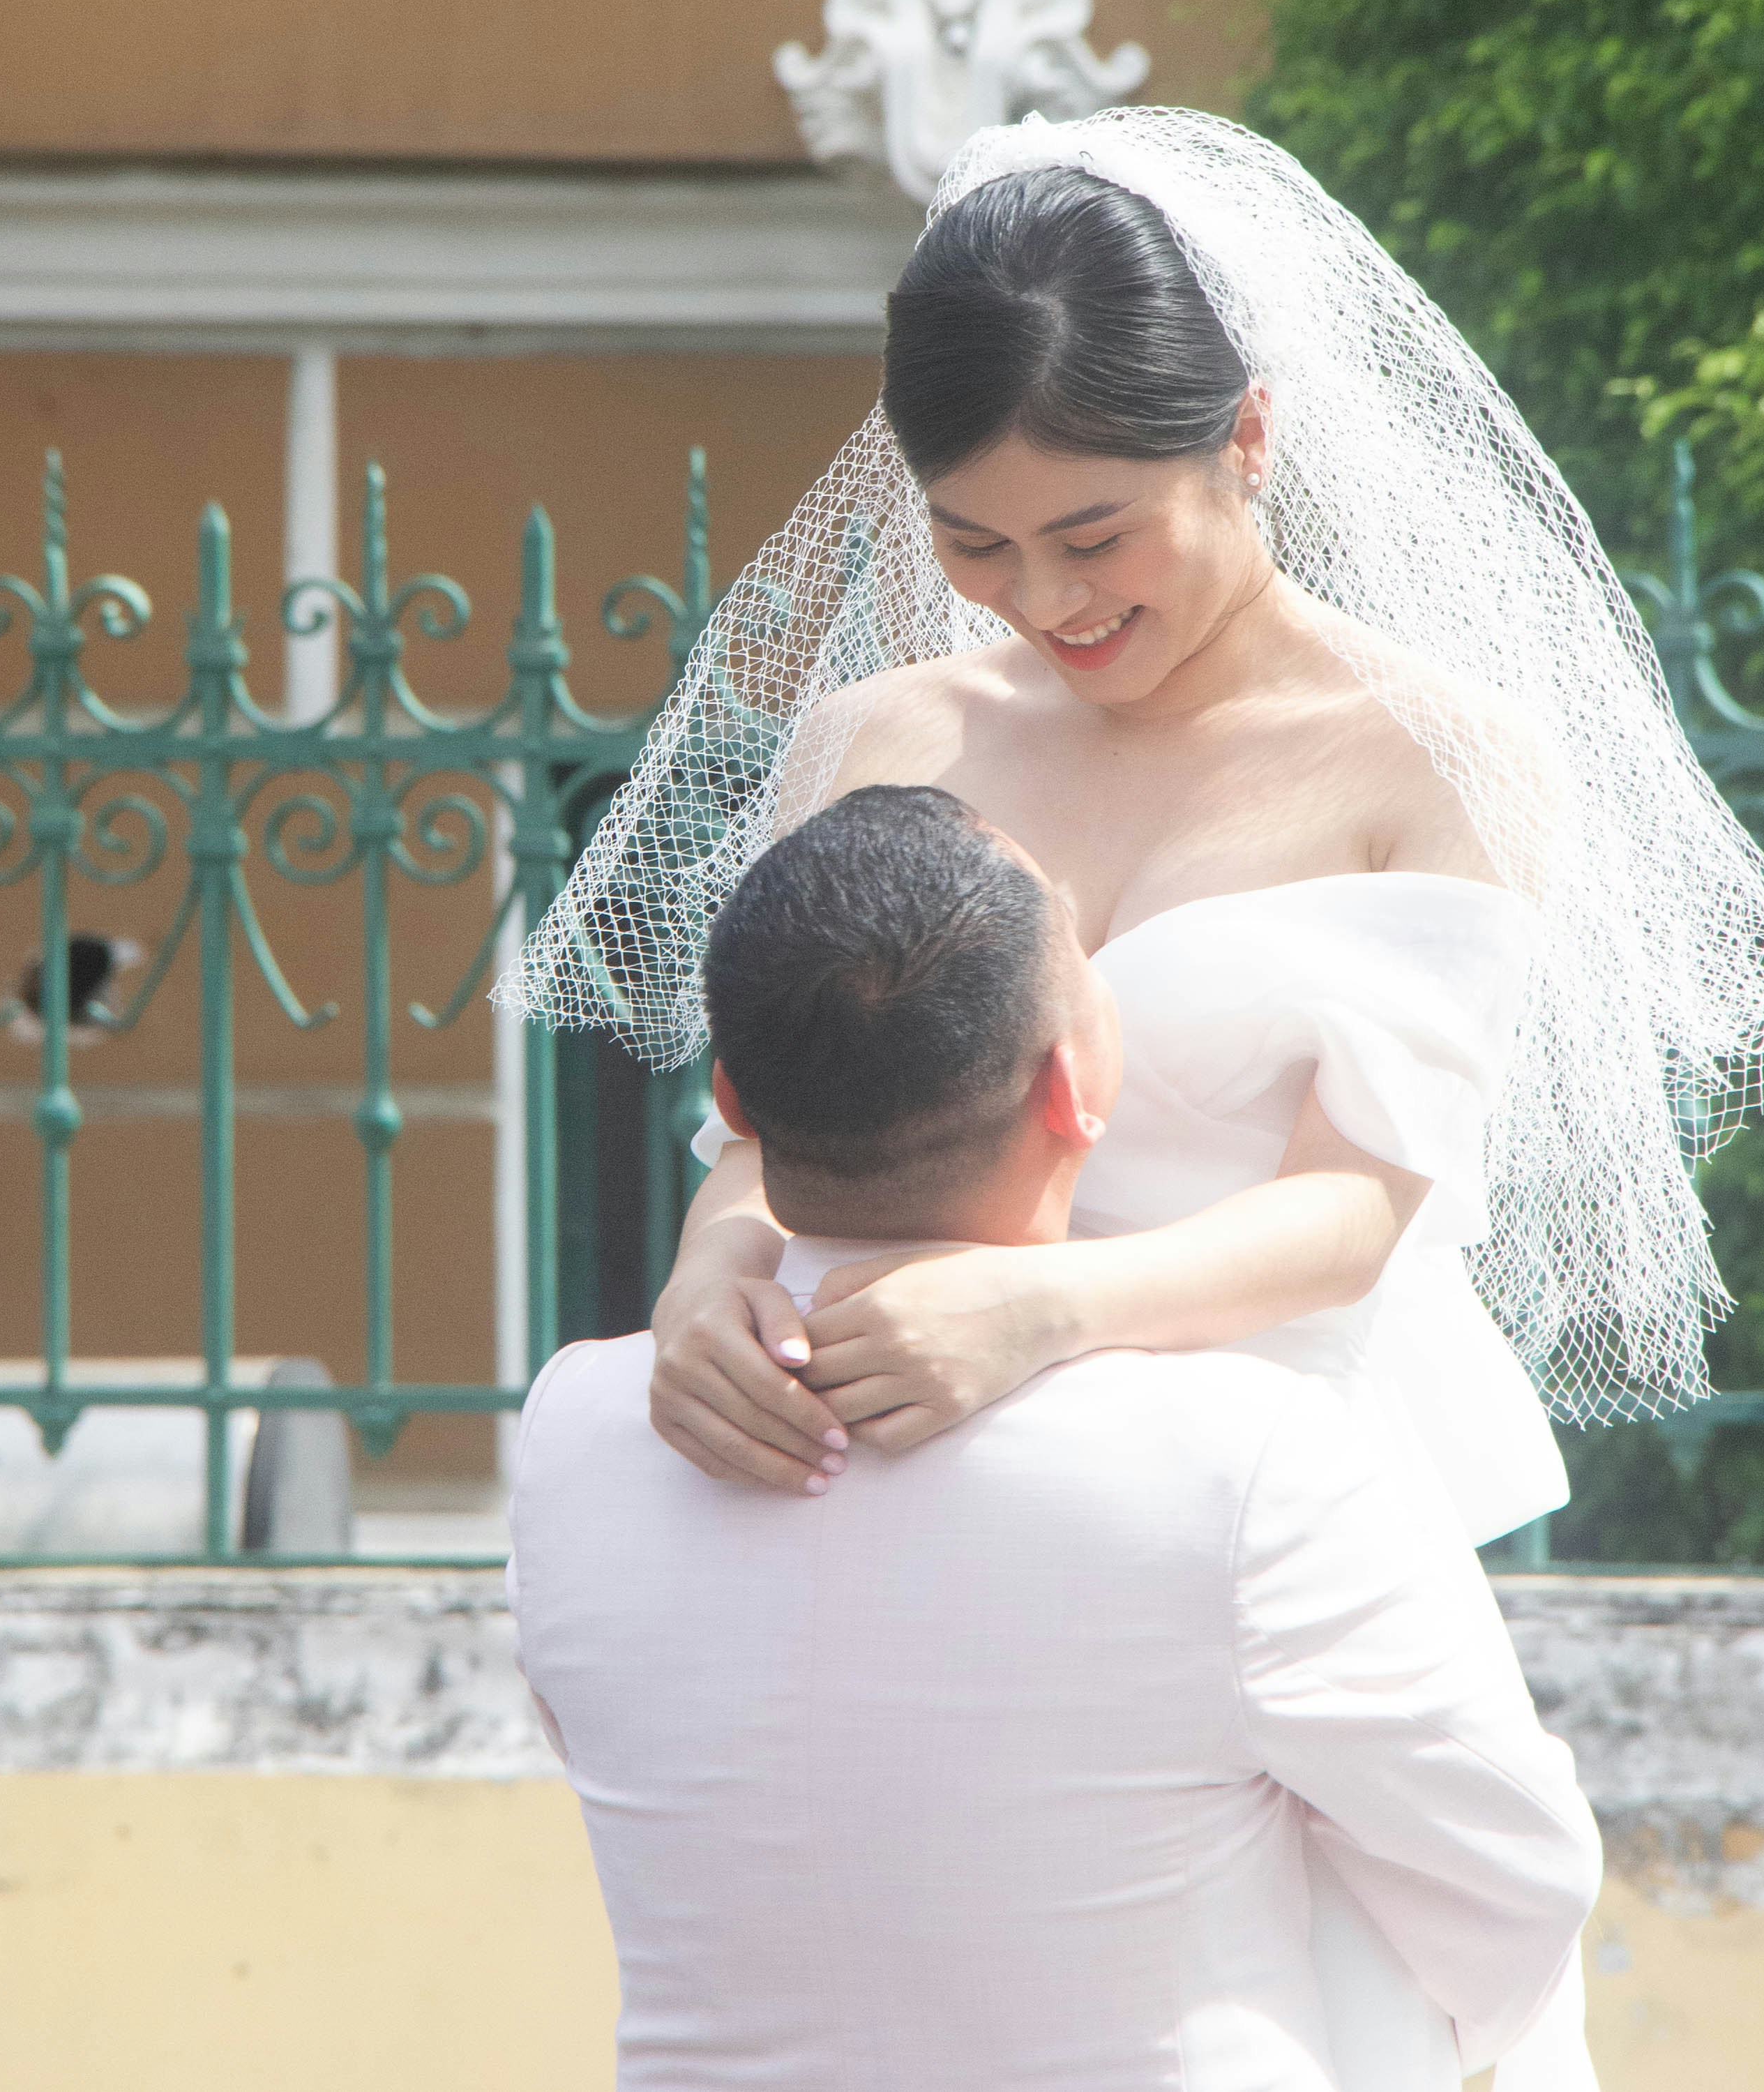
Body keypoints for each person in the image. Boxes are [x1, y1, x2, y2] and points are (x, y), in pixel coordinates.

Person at [502, 107, 1764, 2092]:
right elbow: (765, 1133)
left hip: (1281, 1497)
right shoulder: (889, 731)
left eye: (1095, 532)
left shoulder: (1432, 751)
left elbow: (1368, 1205)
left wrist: (1044, 1314)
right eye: (975, 542)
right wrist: (709, 1283)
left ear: (1250, 439)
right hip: (909, 1508)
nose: (1043, 598)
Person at [508, 784, 1604, 2092]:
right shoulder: (1251, 1464)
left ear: (732, 1103)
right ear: (1076, 1085)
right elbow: (1520, 1883)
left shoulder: (576, 1431)